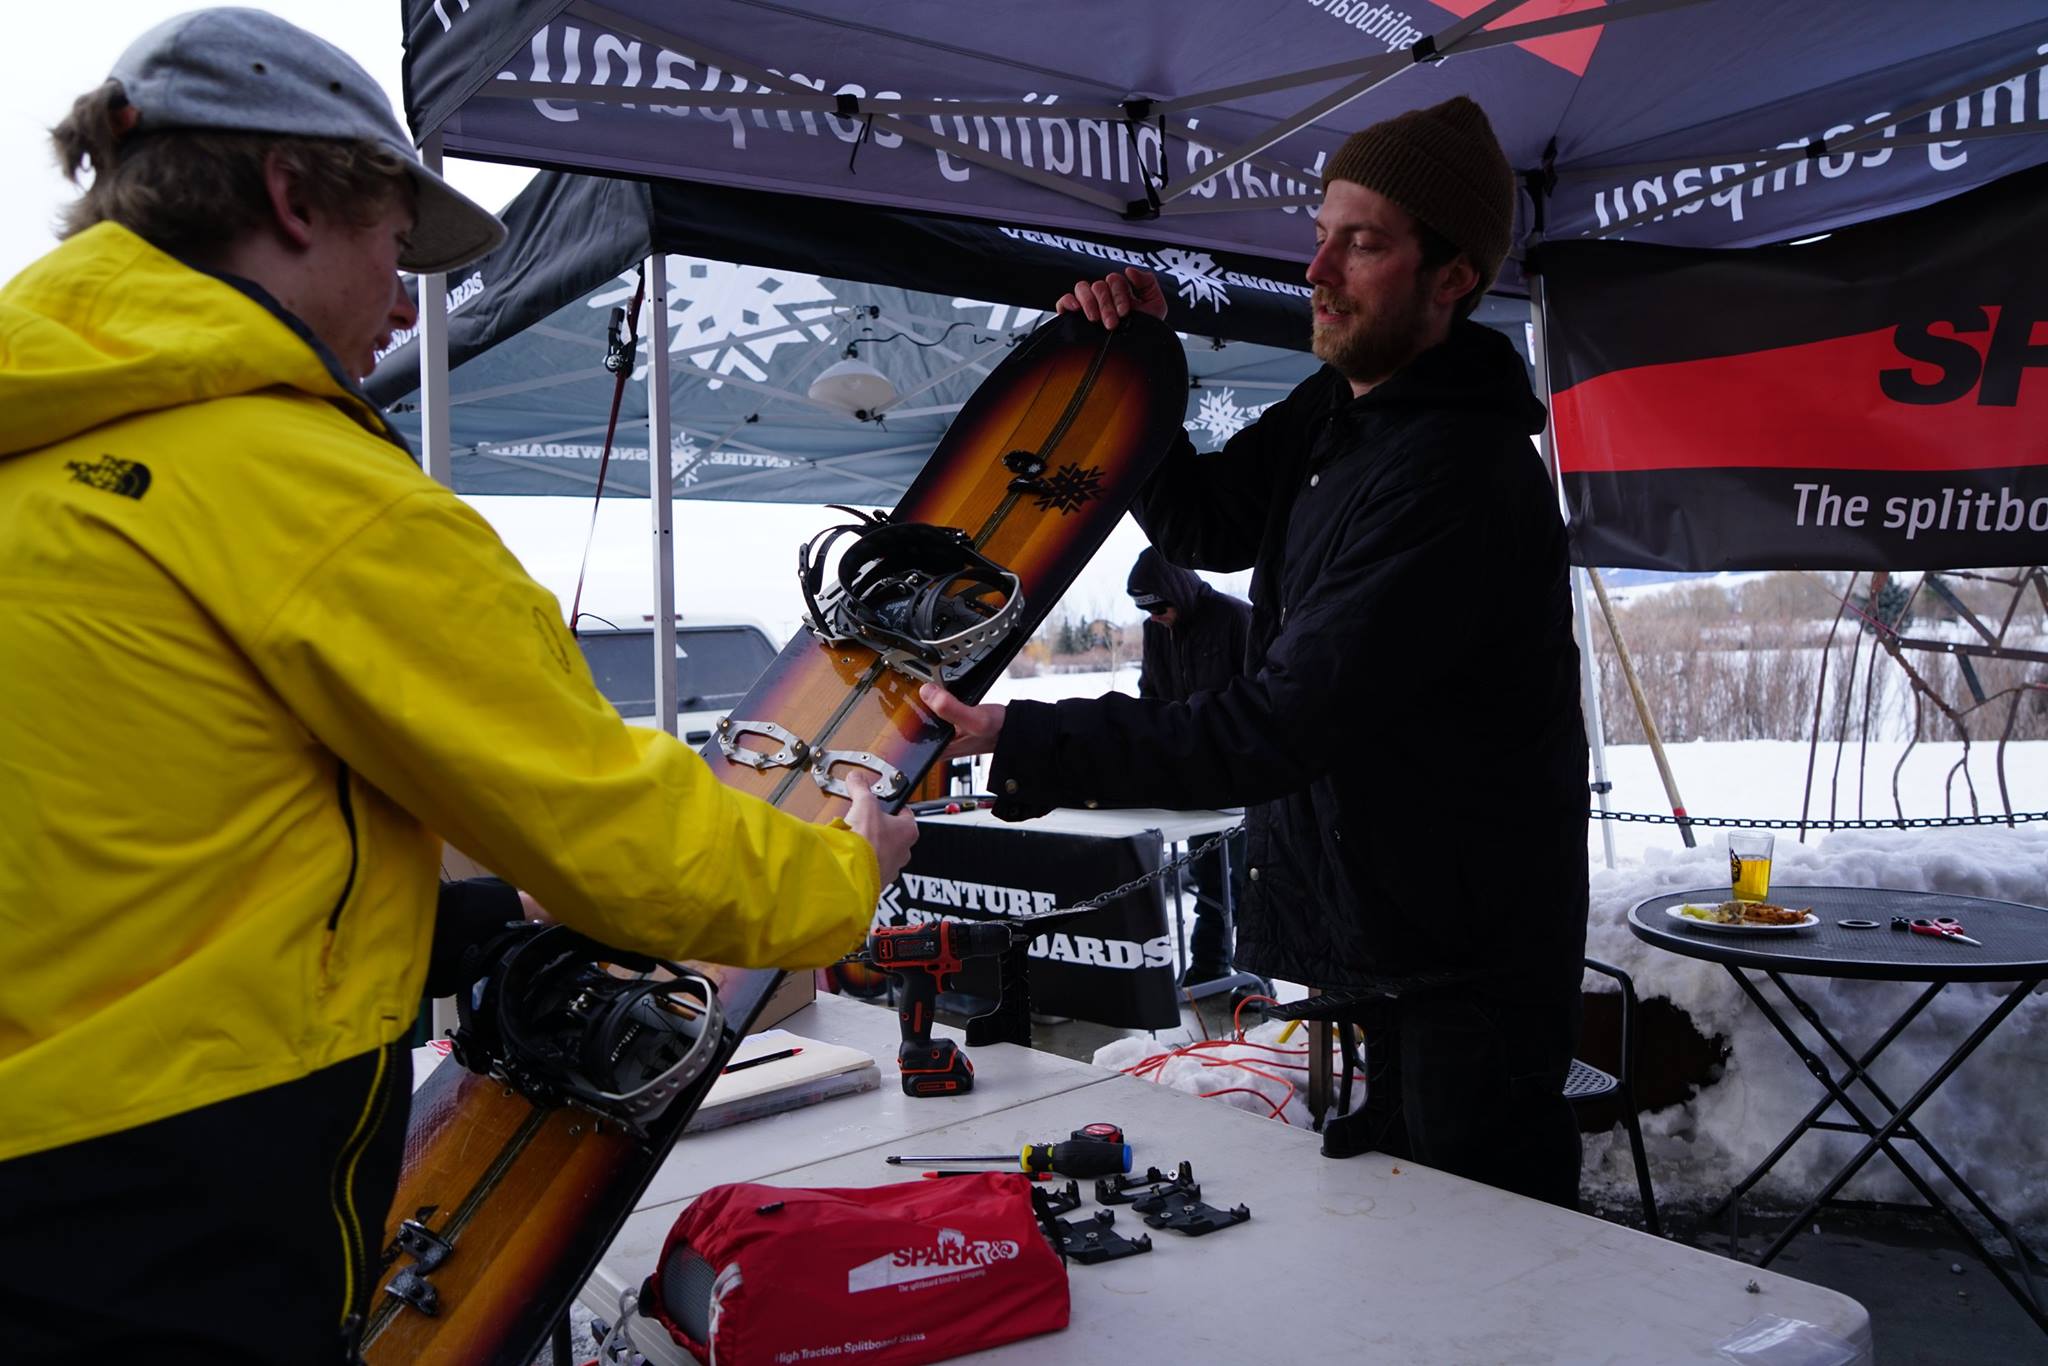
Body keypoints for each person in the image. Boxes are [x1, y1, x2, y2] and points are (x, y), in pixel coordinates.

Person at [0, 11, 913, 1361]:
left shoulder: (41, 451)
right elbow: (623, 837)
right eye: (393, 244)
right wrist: (841, 873)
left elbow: (136, 856)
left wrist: (477, 919)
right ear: (292, 197)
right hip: (177, 1209)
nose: (403, 301)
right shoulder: (303, 487)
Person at [925, 97, 1590, 1207]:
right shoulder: (1336, 410)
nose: (1316, 270)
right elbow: (1204, 524)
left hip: (1468, 964)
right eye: (1320, 234)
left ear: (1452, 277)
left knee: (1493, 1251)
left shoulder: (1457, 475)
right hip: (1379, 931)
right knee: (1398, 1235)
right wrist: (1136, 369)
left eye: (1362, 243)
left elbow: (1275, 724)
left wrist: (1020, 732)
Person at [1126, 547, 1253, 988]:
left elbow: (1258, 691)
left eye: (1160, 607)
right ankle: (1209, 966)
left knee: (1247, 878)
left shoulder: (1235, 616)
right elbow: (1150, 693)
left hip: (1243, 772)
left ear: (1177, 591)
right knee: (1208, 876)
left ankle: (1254, 976)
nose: (1156, 617)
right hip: (1192, 776)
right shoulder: (1155, 630)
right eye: (1146, 610)